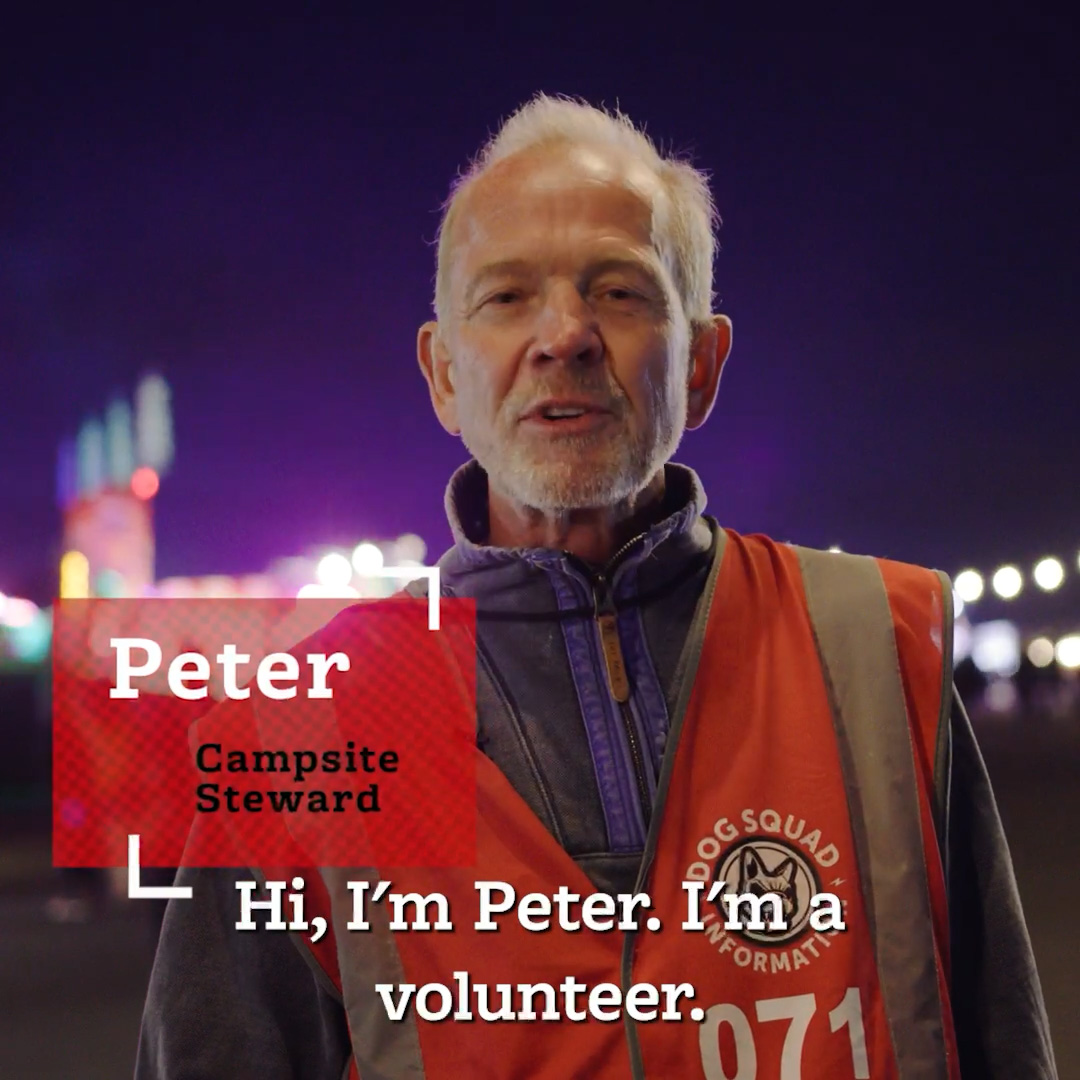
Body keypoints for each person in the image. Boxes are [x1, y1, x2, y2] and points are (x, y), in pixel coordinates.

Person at [136, 93, 1057, 1078]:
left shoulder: (875, 650)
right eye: (507, 296)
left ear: (701, 365)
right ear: (444, 373)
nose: (565, 335)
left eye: (620, 291)